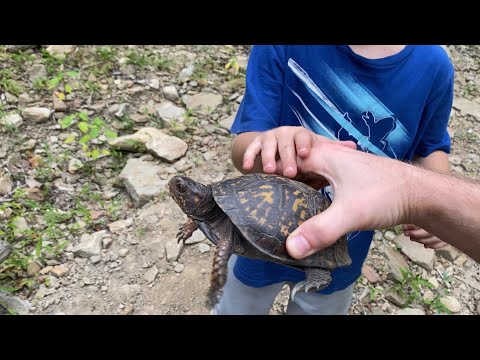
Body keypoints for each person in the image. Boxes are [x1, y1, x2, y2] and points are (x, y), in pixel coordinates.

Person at [214, 45, 454, 315]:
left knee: (319, 303)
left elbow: (430, 147)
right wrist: (269, 148)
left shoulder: (433, 67)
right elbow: (243, 147)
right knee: (237, 308)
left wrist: (438, 202)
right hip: (256, 235)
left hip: (339, 253)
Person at [284, 140, 480, 263]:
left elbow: (431, 144)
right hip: (263, 263)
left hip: (345, 247)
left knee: (323, 297)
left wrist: (438, 207)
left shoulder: (435, 74)